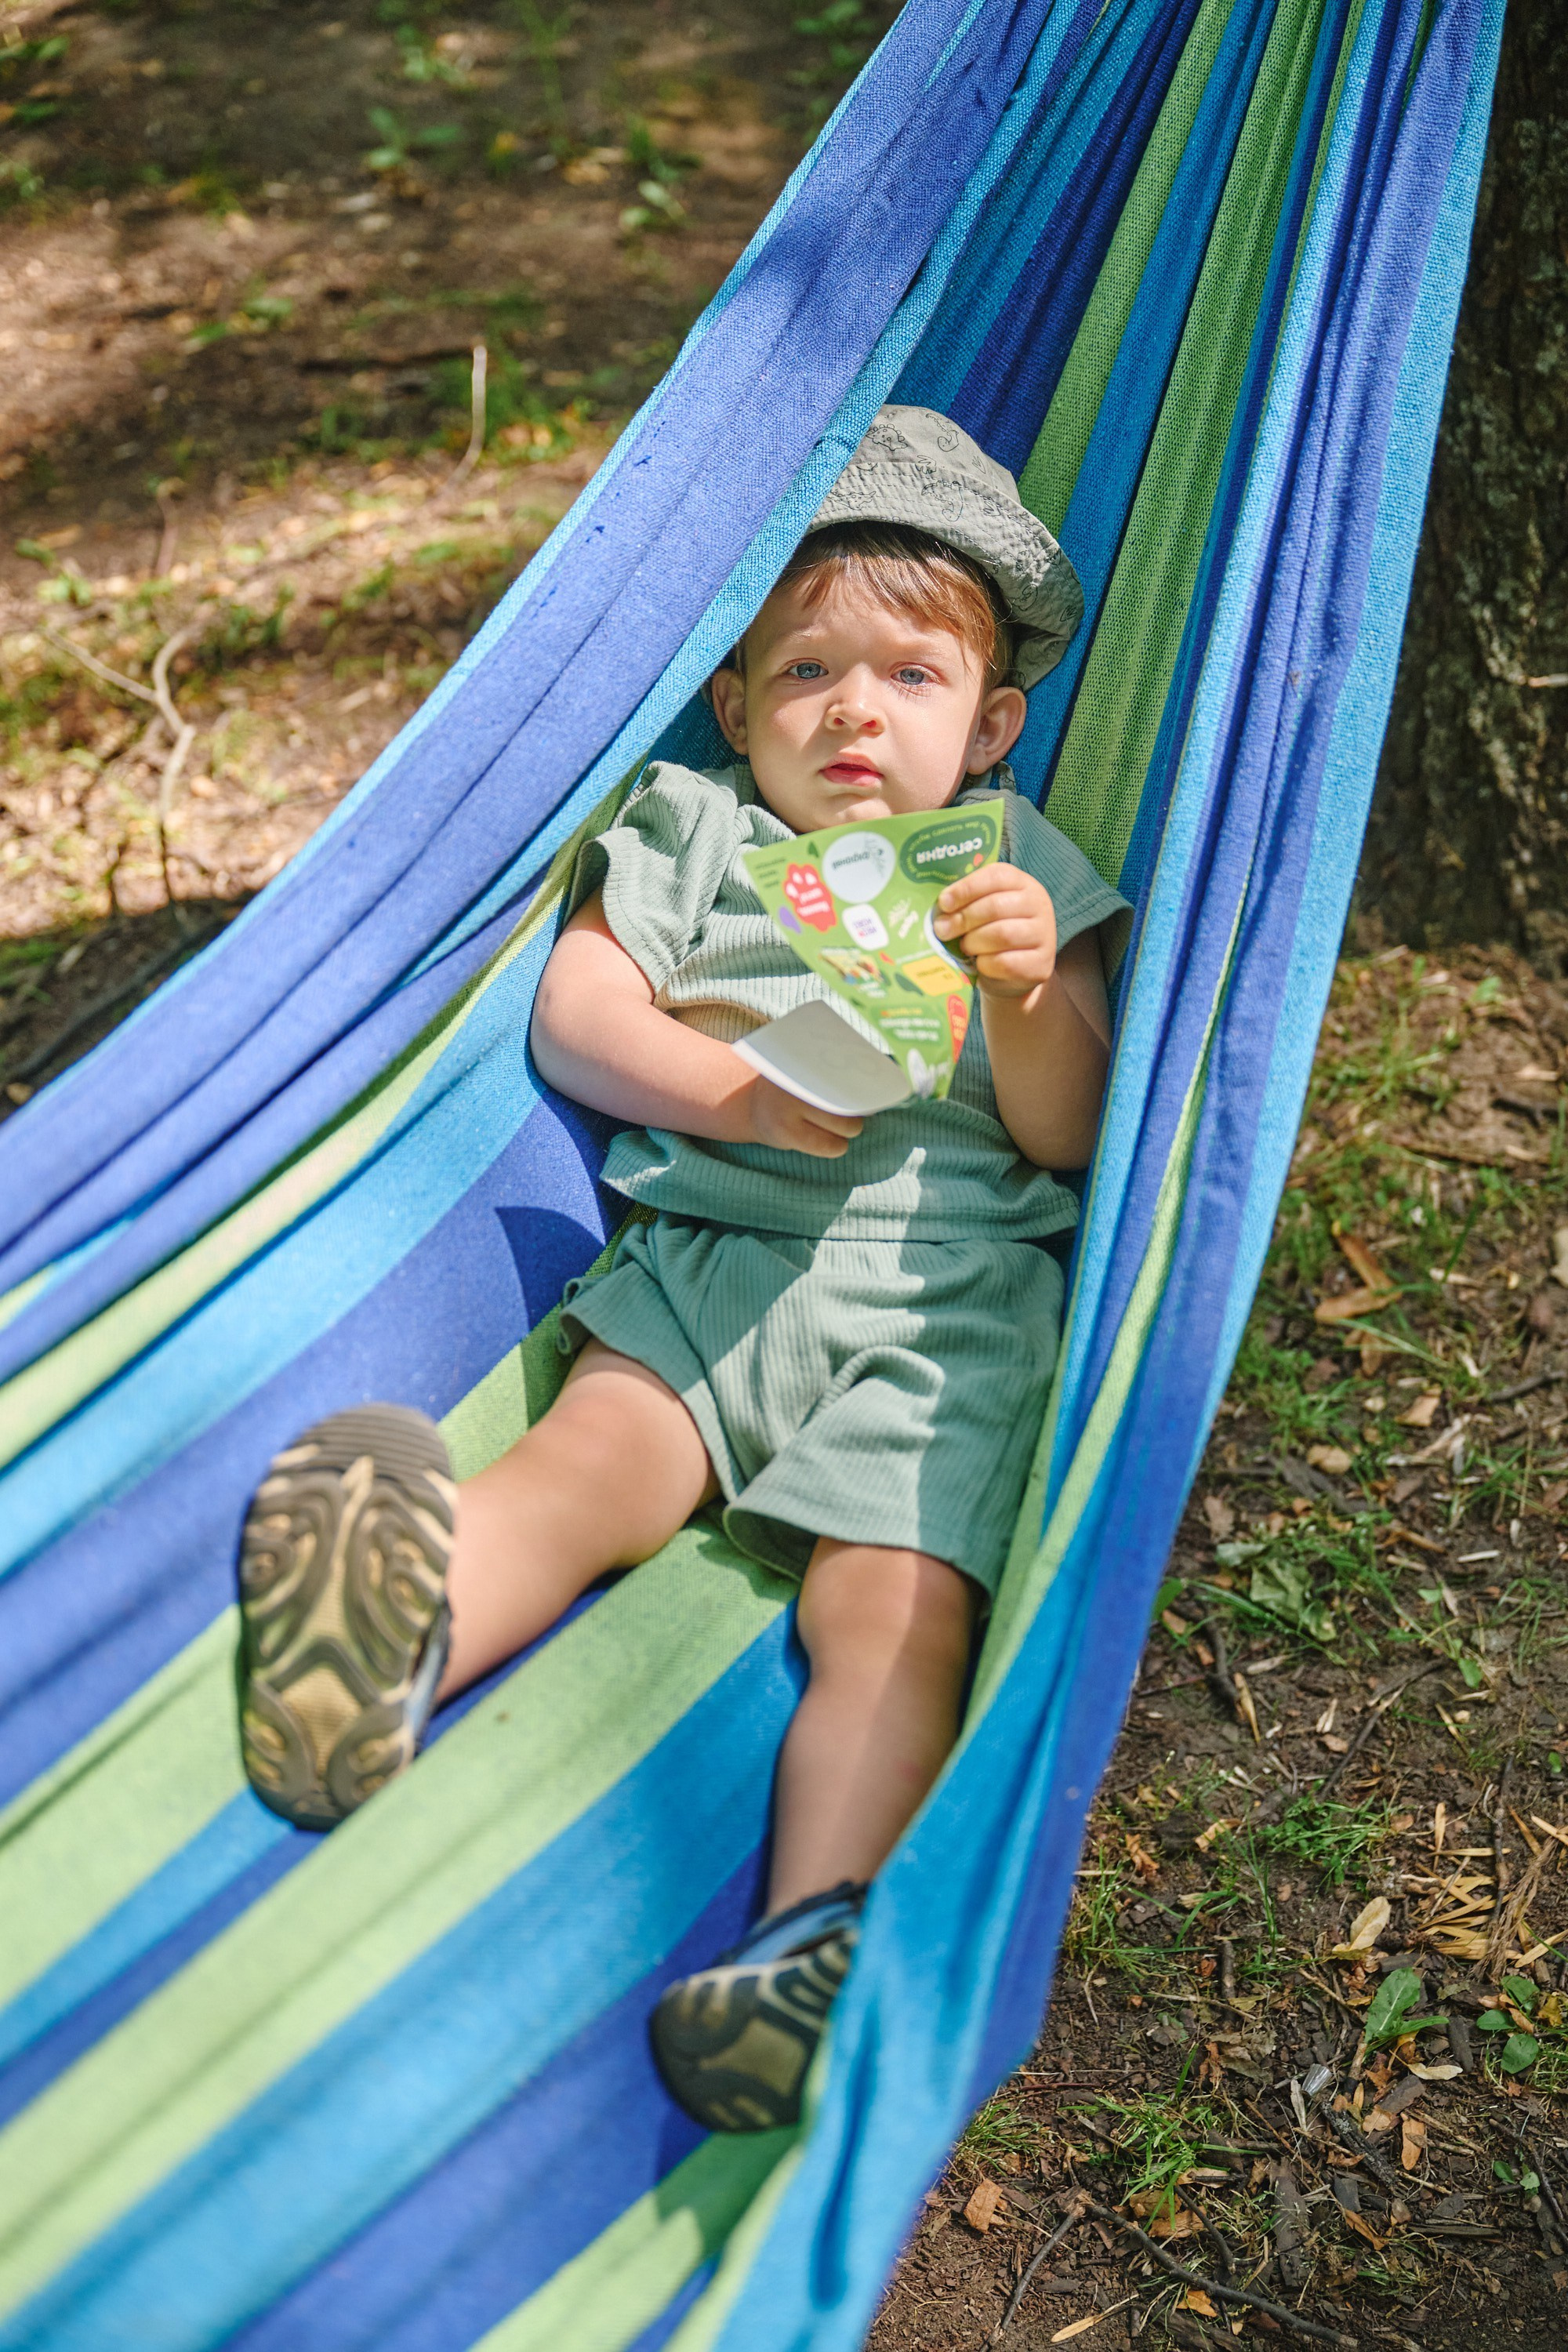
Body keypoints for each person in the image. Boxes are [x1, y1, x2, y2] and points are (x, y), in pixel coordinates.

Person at [234, 405, 1128, 2133]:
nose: (853, 711)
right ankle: (383, 1651)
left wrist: (1025, 992)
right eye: (805, 672)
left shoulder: (1015, 870)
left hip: (946, 1311)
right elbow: (577, 1015)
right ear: (732, 704)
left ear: (991, 725)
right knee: (584, 1472)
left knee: (894, 1617)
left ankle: (812, 1938)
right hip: (711, 1249)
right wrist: (736, 1094)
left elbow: (1072, 1129)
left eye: (910, 678)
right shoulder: (696, 828)